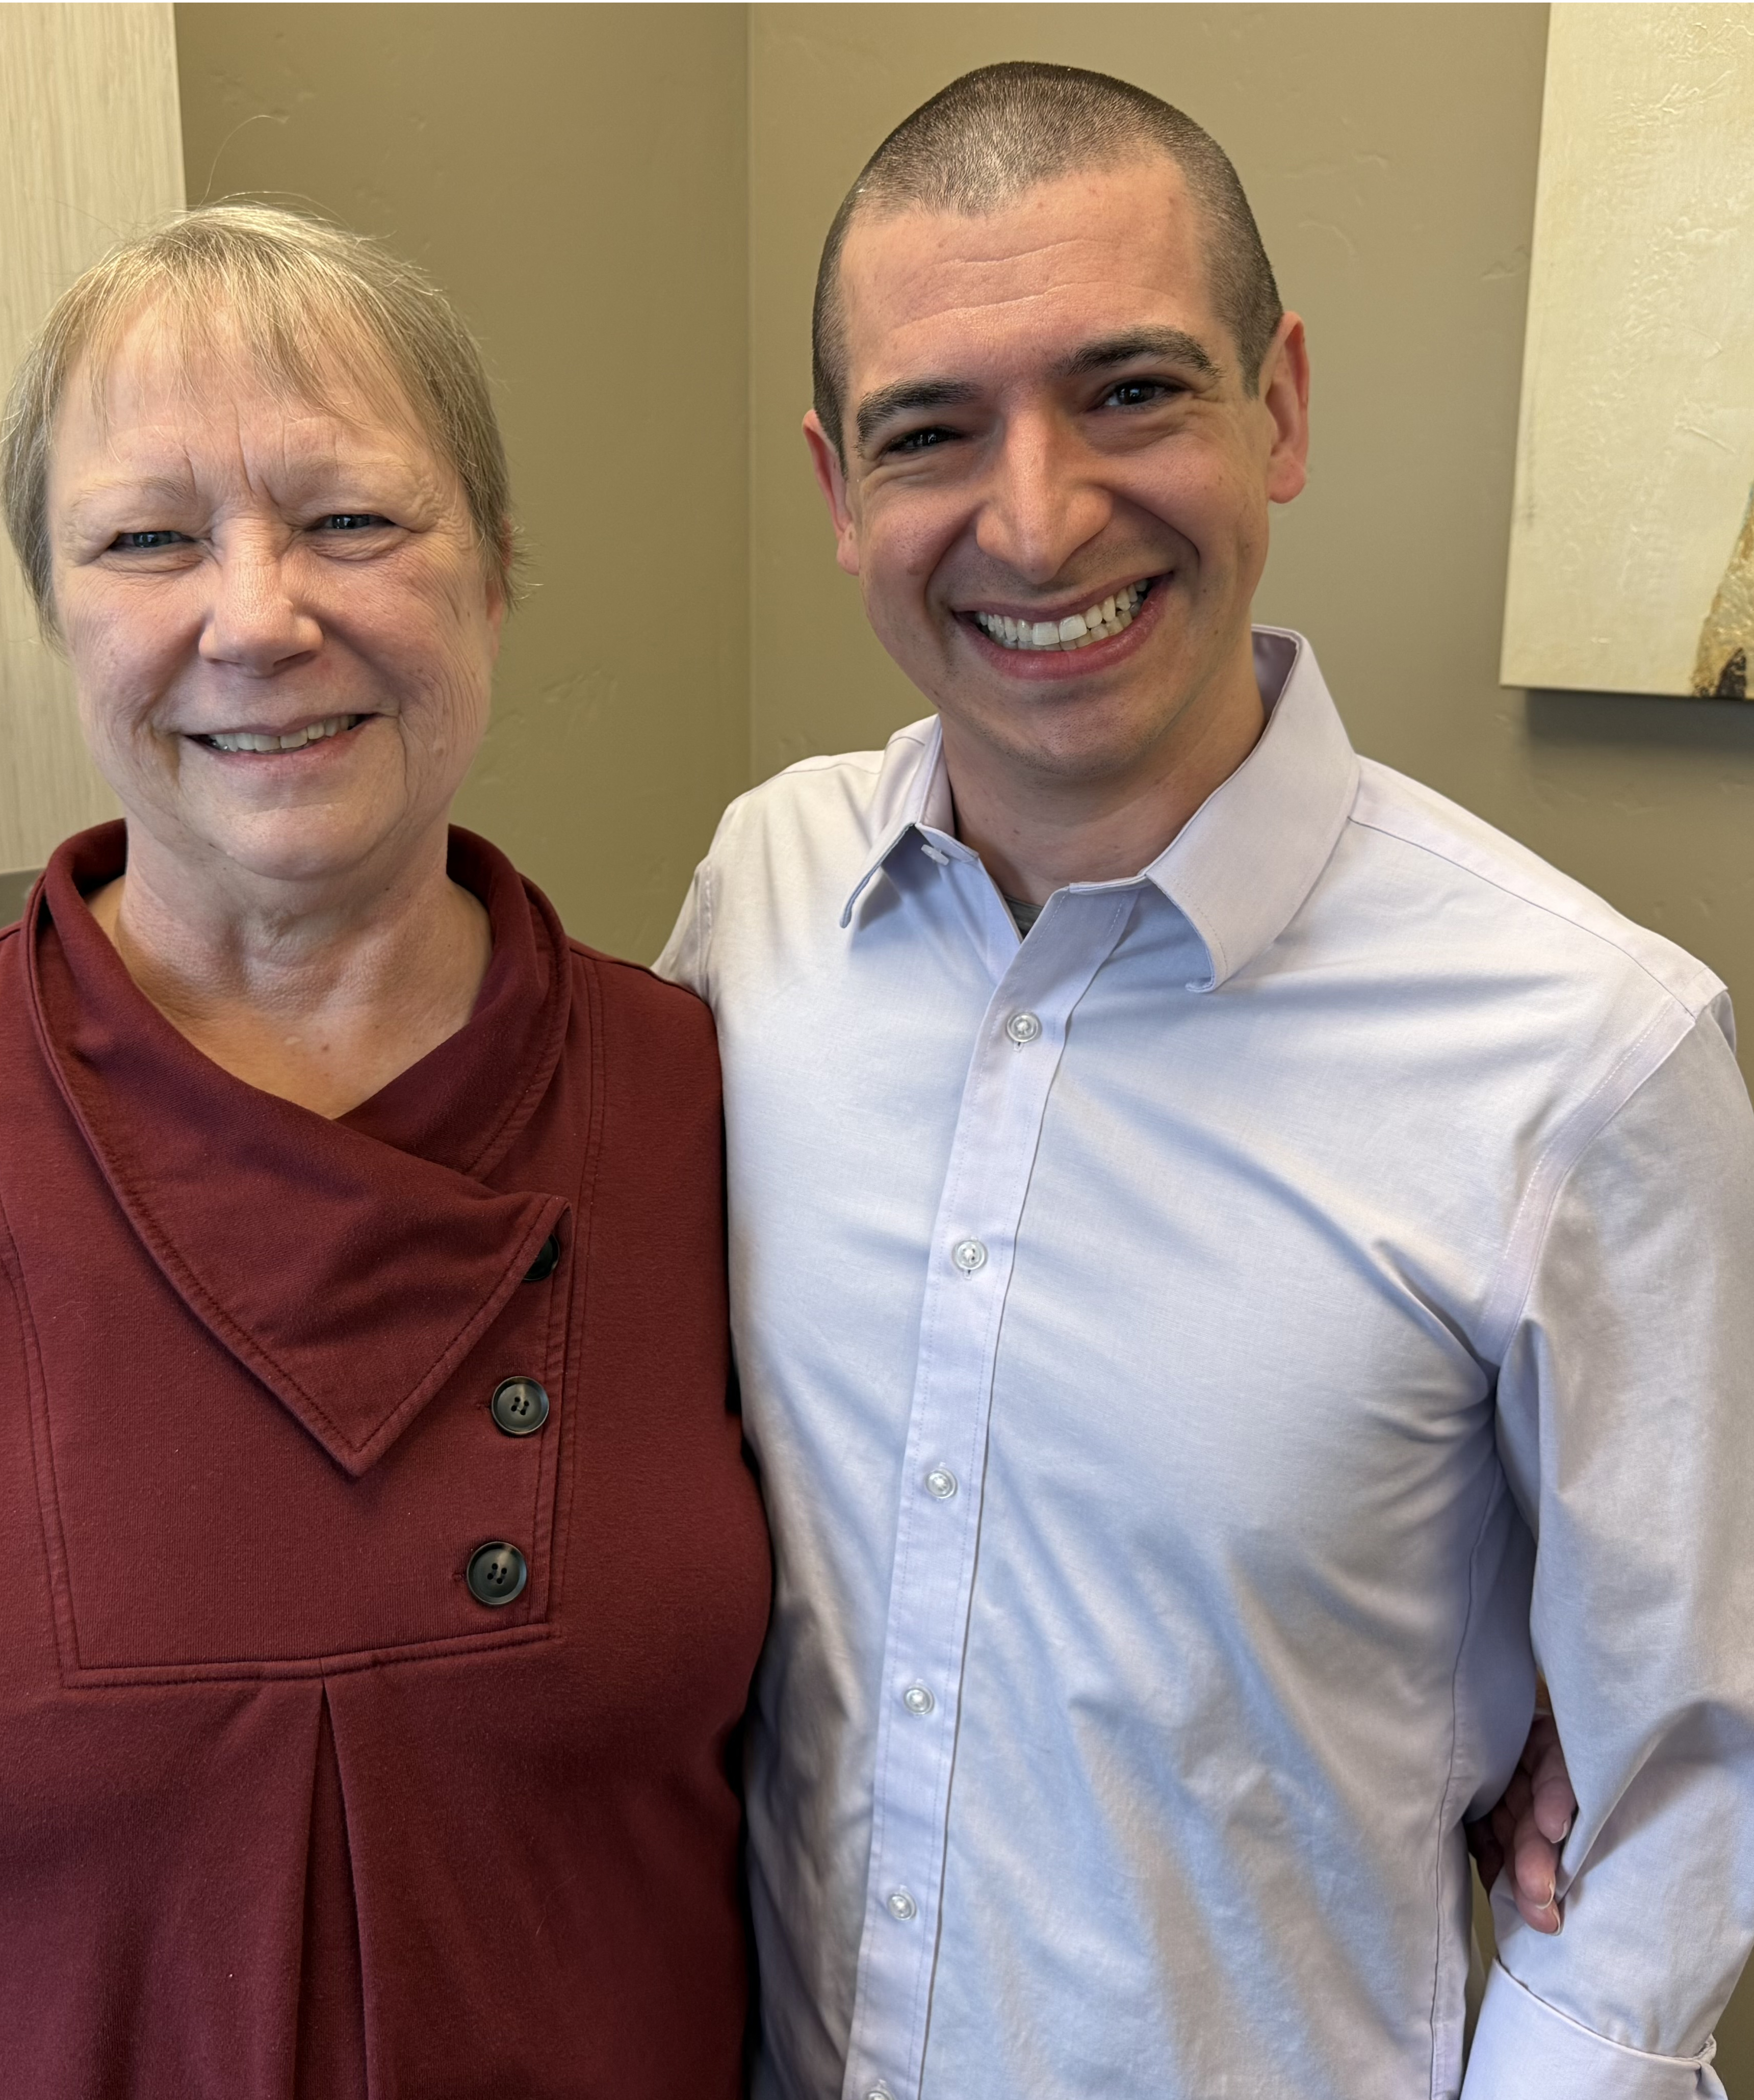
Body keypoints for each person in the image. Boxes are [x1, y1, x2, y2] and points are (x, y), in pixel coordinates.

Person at [659, 62, 1754, 2100]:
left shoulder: (1585, 1055)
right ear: (834, 489)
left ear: (1283, 405)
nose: (1038, 512)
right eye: (930, 431)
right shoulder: (763, 899)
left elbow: (1686, 1785)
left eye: (1132, 391)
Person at [0, 206, 768, 2095]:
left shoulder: (704, 1104)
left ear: (496, 574)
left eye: (352, 521)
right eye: (147, 540)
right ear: (59, 609)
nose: (256, 617)